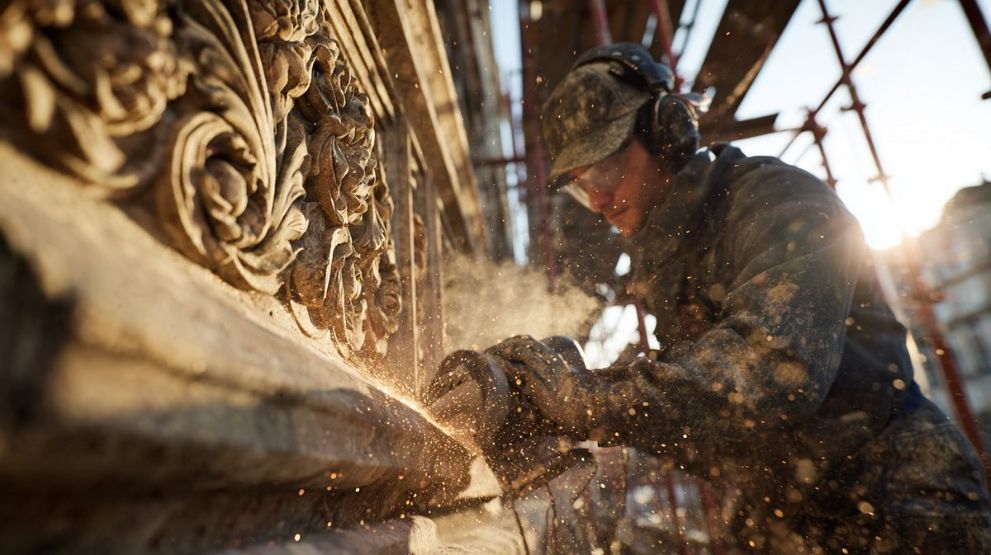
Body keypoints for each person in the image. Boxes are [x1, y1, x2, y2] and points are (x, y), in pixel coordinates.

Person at [486, 43, 991, 552]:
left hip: (894, 504)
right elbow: (716, 431)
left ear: (667, 131)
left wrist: (584, 399)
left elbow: (770, 372)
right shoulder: (671, 256)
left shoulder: (779, 201)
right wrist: (598, 433)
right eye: (579, 186)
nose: (596, 201)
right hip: (785, 512)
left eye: (603, 171)